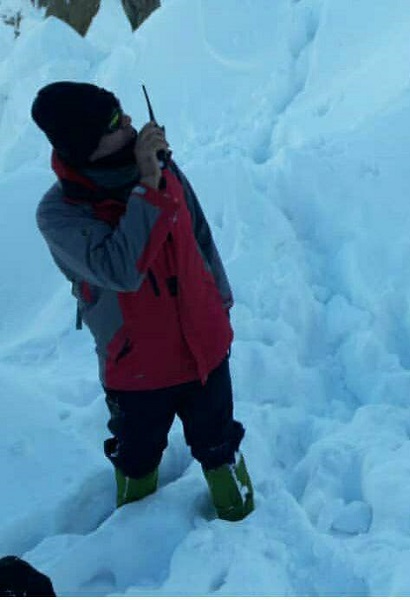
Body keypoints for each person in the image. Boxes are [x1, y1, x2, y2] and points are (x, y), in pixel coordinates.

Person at [31, 81, 254, 521]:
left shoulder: (159, 166)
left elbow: (200, 235)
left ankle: (241, 517)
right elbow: (121, 270)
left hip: (203, 346)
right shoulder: (60, 214)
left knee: (219, 443)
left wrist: (219, 302)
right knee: (137, 455)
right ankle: (131, 538)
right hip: (137, 368)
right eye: (115, 121)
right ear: (85, 144)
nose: (131, 122)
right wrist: (149, 187)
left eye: (124, 111)